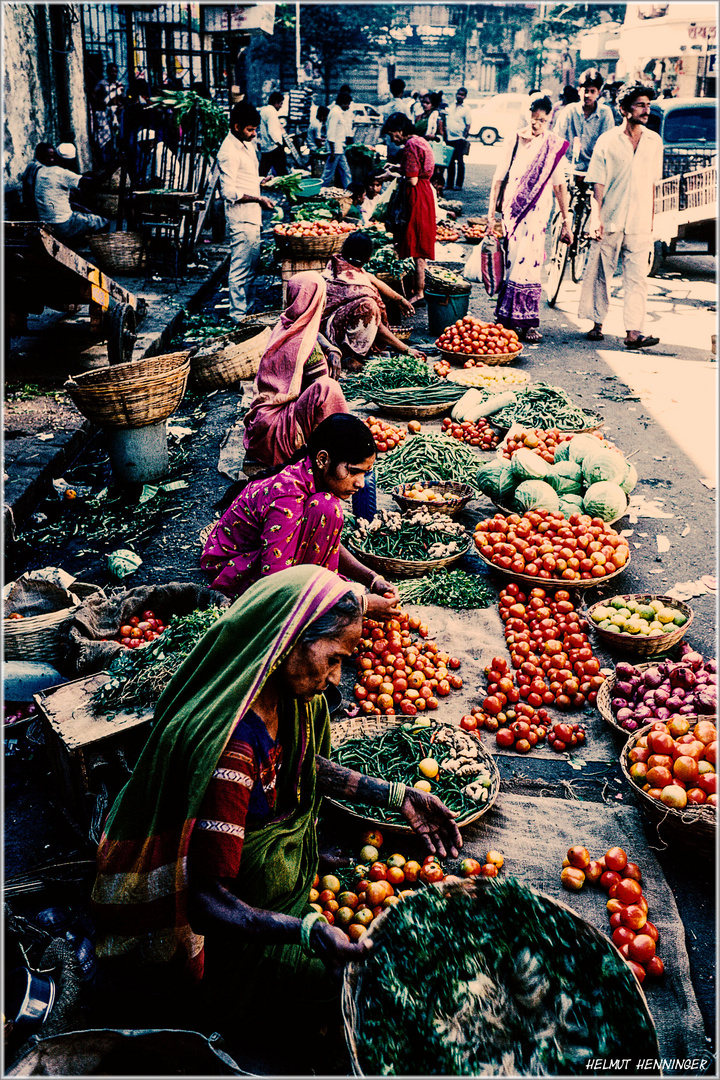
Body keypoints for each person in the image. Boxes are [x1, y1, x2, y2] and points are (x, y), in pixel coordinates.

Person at [92, 565, 461, 1068]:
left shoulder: (283, 695)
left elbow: (304, 765)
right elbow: (204, 901)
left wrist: (396, 794)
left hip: (283, 901)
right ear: (288, 642)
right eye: (333, 659)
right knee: (373, 994)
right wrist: (304, 932)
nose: (336, 680)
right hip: (240, 944)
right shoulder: (234, 751)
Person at [202, 414, 399, 610]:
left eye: (365, 472)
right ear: (322, 459)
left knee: (326, 507)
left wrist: (373, 579)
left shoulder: (312, 479)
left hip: (265, 560)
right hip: (233, 567)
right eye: (354, 471)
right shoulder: (287, 498)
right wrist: (361, 605)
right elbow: (274, 585)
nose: (360, 483)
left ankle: (318, 596)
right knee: (327, 506)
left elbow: (328, 543)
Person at [578, 83, 663, 350]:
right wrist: (596, 218)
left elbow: (654, 185)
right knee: (601, 273)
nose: (646, 110)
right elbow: (598, 184)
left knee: (637, 278)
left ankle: (633, 333)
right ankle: (597, 323)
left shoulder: (654, 141)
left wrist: (654, 221)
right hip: (610, 217)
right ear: (624, 109)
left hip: (639, 222)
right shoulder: (608, 141)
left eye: (648, 105)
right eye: (640, 105)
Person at [484, 95, 572, 343]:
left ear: (550, 118)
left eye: (543, 121)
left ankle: (528, 320)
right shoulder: (514, 139)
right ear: (527, 114)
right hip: (513, 210)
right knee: (512, 261)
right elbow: (499, 178)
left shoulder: (553, 146)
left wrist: (566, 220)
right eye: (534, 120)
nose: (537, 126)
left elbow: (559, 186)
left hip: (538, 212)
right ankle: (505, 318)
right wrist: (491, 215)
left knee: (531, 263)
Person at [243, 272, 348, 467]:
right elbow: (322, 396)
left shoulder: (284, 326)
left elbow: (312, 333)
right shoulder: (307, 348)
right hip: (278, 436)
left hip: (261, 427)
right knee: (328, 389)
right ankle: (334, 454)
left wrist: (331, 348)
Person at [321, 232, 423, 366]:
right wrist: (407, 350)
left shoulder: (336, 265)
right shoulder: (361, 289)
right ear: (368, 258)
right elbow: (378, 327)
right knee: (369, 307)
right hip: (331, 337)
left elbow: (370, 277)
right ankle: (348, 355)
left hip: (322, 329)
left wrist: (399, 299)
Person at [217, 100, 275, 321]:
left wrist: (263, 181)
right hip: (241, 219)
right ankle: (238, 315)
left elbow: (247, 178)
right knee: (240, 268)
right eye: (250, 130)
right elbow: (229, 191)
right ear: (236, 127)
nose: (254, 134)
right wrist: (259, 198)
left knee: (252, 265)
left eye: (255, 130)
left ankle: (248, 310)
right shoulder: (228, 152)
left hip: (252, 217)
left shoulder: (246, 145)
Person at [382, 112, 436, 306]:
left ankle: (419, 292)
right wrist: (397, 168)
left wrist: (393, 176)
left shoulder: (410, 146)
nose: (392, 138)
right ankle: (417, 287)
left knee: (417, 246)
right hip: (425, 192)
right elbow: (417, 169)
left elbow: (412, 180)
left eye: (392, 134)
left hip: (417, 196)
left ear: (400, 130)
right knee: (419, 242)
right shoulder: (420, 141)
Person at [33, 156, 109, 244]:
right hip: (62, 224)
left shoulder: (40, 171)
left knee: (82, 214)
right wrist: (117, 164)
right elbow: (94, 182)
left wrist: (84, 209)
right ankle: (76, 245)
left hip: (45, 222)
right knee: (104, 222)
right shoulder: (63, 173)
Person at [554, 68, 615, 174]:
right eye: (585, 91)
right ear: (579, 90)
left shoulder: (605, 113)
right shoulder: (570, 110)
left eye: (592, 91)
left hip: (595, 168)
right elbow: (557, 138)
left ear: (598, 93)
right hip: (569, 166)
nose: (588, 95)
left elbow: (607, 144)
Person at [322, 91, 353, 189]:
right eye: (348, 104)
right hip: (335, 149)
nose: (348, 106)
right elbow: (331, 133)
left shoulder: (338, 112)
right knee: (328, 174)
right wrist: (332, 152)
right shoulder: (335, 112)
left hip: (339, 148)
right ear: (343, 103)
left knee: (345, 171)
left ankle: (349, 190)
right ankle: (319, 190)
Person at [444, 87, 473, 191]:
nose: (459, 96)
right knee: (450, 162)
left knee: (460, 161)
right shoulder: (451, 107)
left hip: (459, 138)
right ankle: (449, 184)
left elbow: (468, 124)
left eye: (462, 95)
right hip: (449, 138)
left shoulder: (466, 109)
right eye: (458, 94)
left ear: (465, 96)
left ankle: (459, 184)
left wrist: (464, 137)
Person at [379, 78, 413, 164]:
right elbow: (409, 126)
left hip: (390, 144)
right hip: (402, 145)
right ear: (403, 91)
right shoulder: (404, 107)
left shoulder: (386, 107)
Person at [258, 90, 287, 177]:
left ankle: (257, 185)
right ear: (276, 102)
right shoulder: (272, 112)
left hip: (266, 146)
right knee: (282, 172)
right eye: (280, 104)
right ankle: (287, 189)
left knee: (263, 170)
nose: (281, 106)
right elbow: (272, 131)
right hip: (273, 147)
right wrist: (279, 143)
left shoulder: (264, 110)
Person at [22, 143, 56, 218]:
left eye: (52, 157)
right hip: (37, 209)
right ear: (41, 155)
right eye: (48, 156)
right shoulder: (41, 169)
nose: (51, 160)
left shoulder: (32, 165)